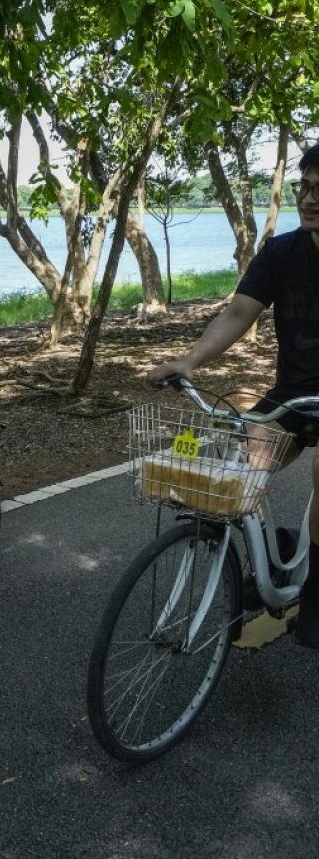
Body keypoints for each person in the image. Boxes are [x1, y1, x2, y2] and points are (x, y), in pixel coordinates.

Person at [147, 143, 319, 648]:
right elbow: (238, 314)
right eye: (304, 188)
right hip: (292, 397)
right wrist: (190, 361)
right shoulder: (281, 254)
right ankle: (271, 555)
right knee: (239, 458)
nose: (309, 199)